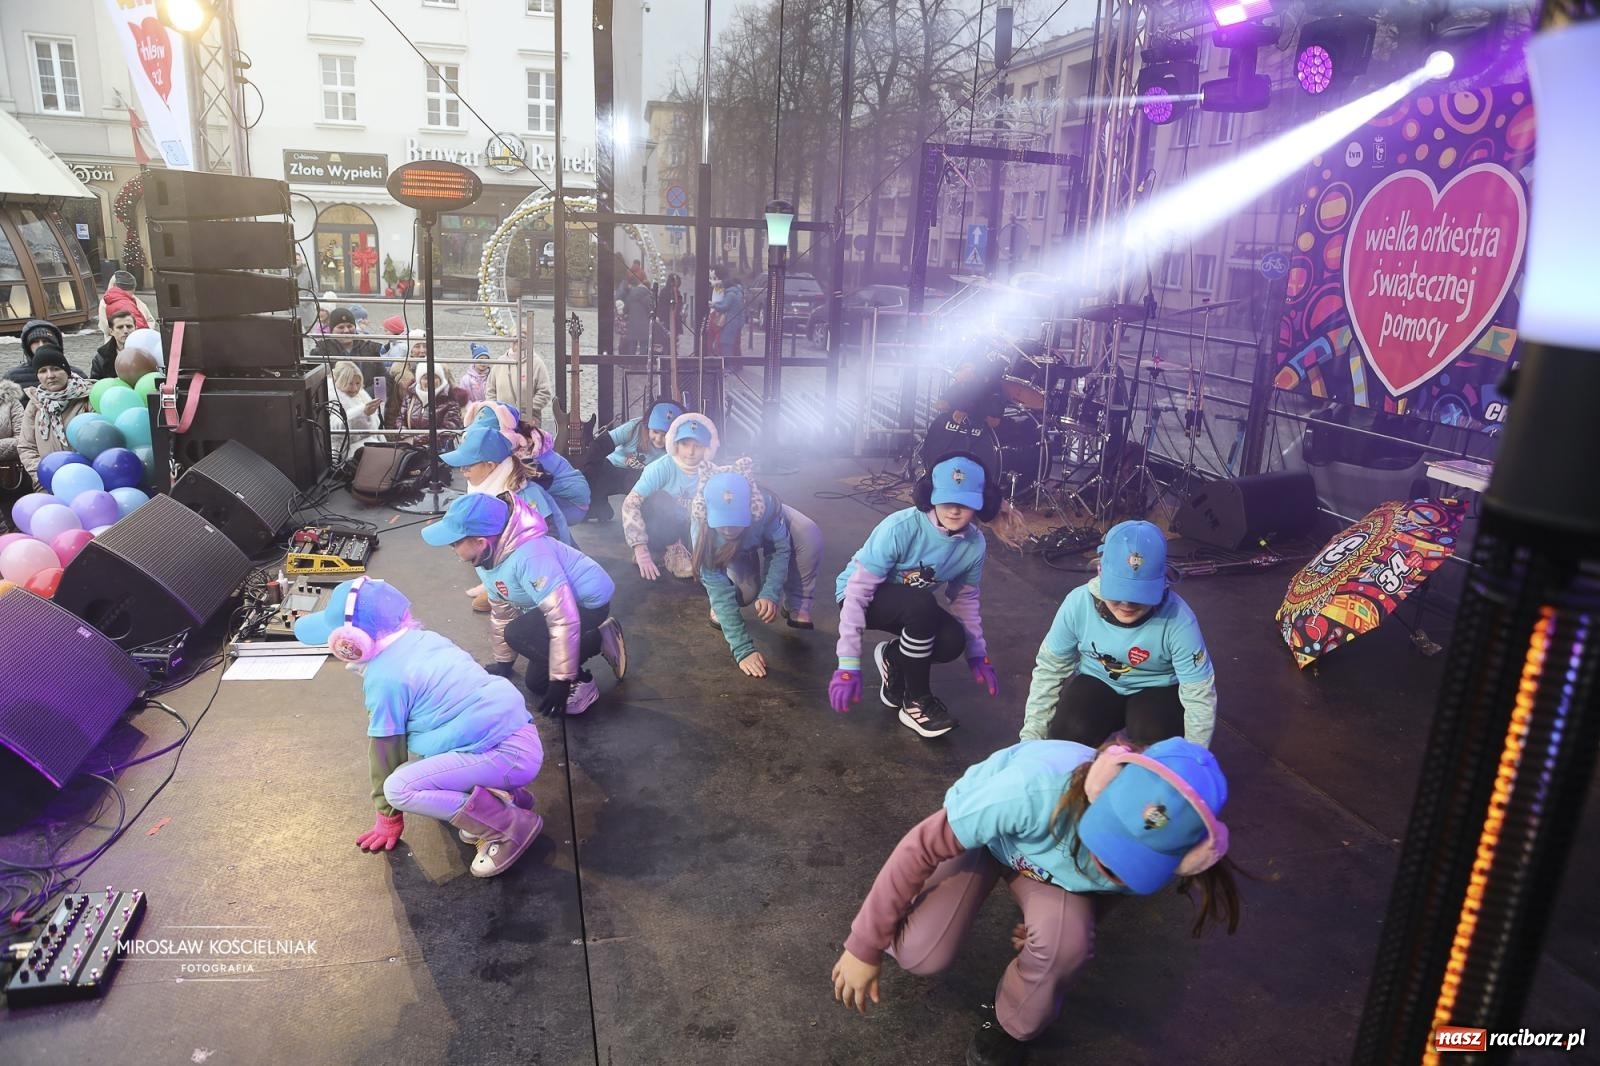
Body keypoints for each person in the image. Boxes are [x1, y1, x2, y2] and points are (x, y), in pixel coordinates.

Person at [830, 736, 1237, 1064]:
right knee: (919, 953)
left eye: (1133, 861)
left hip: (1050, 875)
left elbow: (1106, 893)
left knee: (1067, 944)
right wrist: (864, 945)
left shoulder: (1156, 859)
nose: (1112, 867)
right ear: (1103, 784)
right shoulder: (1030, 790)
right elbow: (920, 846)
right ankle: (904, 913)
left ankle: (1011, 1026)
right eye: (1111, 837)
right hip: (989, 842)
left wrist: (1070, 922)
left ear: (1185, 860)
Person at [291, 577, 544, 878]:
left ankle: (509, 827)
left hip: (505, 756)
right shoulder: (425, 639)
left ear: (351, 643)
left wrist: (387, 816)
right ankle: (508, 800)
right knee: (432, 763)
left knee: (399, 788)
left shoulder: (386, 679)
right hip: (517, 738)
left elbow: (385, 752)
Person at [830, 455, 1000, 739]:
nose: (954, 510)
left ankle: (894, 658)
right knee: (921, 605)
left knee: (951, 641)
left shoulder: (974, 545)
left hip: (912, 606)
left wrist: (977, 652)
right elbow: (857, 593)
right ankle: (916, 701)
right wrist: (848, 663)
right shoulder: (900, 527)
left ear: (983, 502)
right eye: (946, 499)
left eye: (965, 502)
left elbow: (965, 600)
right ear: (929, 495)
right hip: (859, 597)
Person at [422, 493, 626, 717]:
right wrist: (504, 662)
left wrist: (562, 680)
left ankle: (583, 682)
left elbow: (562, 617)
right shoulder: (486, 557)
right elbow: (502, 609)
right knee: (536, 684)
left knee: (519, 633)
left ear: (480, 541)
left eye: (454, 542)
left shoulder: (529, 556)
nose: (451, 548)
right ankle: (599, 638)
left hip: (587, 603)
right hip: (554, 604)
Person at [1020, 521, 1218, 749]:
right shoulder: (1078, 604)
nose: (1127, 603)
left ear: (1163, 580)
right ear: (1100, 571)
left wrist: (1195, 758)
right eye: (1118, 591)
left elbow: (1199, 694)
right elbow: (1049, 669)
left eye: (1139, 594)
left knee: (1154, 739)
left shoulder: (1179, 619)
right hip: (1098, 681)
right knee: (1068, 732)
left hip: (1157, 688)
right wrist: (1029, 744)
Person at [691, 467, 824, 677]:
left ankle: (798, 602)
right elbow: (719, 589)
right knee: (744, 594)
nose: (728, 529)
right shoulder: (702, 528)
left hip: (759, 528)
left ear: (751, 509)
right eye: (722, 523)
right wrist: (743, 649)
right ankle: (722, 604)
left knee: (809, 534)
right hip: (732, 549)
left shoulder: (764, 507)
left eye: (735, 521)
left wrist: (770, 593)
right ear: (707, 514)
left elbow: (779, 549)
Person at [621, 412, 721, 581]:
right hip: (660, 528)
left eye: (697, 446)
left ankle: (671, 553)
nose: (691, 452)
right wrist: (640, 548)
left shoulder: (713, 472)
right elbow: (630, 504)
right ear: (675, 444)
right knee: (659, 498)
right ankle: (670, 550)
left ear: (707, 448)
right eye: (685, 444)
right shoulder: (660, 468)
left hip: (693, 530)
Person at [582, 400, 681, 523]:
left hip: (643, 477)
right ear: (647, 426)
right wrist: (588, 471)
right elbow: (600, 445)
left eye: (665, 435)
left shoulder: (679, 445)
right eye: (655, 432)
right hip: (613, 468)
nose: (659, 439)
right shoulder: (634, 427)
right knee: (590, 475)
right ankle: (599, 506)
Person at [16, 346, 93, 490]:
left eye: (55, 369)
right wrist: (42, 474)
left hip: (87, 478)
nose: (50, 375)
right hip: (48, 483)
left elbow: (100, 442)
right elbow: (26, 446)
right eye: (43, 371)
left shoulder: (87, 397)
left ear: (66, 371)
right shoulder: (34, 404)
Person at [313, 307, 385, 388]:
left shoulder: (370, 349)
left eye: (350, 326)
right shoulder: (321, 352)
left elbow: (384, 380)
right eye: (341, 327)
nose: (346, 330)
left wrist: (365, 394)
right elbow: (318, 386)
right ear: (332, 330)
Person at [400, 365, 466, 452]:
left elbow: (449, 429)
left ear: (440, 379)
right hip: (411, 449)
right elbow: (400, 419)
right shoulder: (411, 396)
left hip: (439, 450)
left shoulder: (450, 399)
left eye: (434, 377)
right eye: (425, 378)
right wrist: (405, 435)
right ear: (419, 380)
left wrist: (416, 440)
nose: (430, 381)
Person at [327, 360, 385, 459]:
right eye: (350, 383)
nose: (354, 388)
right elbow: (334, 429)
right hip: (347, 451)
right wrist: (361, 413)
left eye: (358, 383)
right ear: (339, 381)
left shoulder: (362, 394)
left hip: (368, 445)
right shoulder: (331, 397)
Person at [6, 319, 80, 395]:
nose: (41, 345)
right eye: (35, 341)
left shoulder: (78, 375)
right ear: (27, 346)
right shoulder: (12, 378)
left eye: (45, 341)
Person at [91, 309, 138, 380]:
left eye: (129, 326)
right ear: (111, 331)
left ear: (135, 328)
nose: (125, 331)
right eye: (120, 327)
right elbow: (95, 382)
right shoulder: (101, 358)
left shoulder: (147, 352)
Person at [709, 268, 744, 359]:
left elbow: (724, 306)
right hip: (735, 323)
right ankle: (732, 363)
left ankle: (728, 364)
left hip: (730, 323)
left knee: (726, 345)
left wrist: (713, 305)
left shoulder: (730, 295)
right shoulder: (737, 293)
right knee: (732, 345)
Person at [618, 277, 654, 356]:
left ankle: (632, 361)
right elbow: (651, 309)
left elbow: (625, 310)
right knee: (643, 346)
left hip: (632, 324)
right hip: (644, 325)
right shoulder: (648, 295)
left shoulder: (631, 294)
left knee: (632, 346)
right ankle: (641, 361)